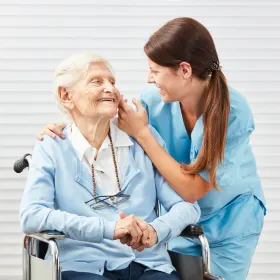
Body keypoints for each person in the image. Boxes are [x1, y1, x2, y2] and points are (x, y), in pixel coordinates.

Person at [38, 18, 266, 280]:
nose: (149, 78)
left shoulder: (233, 112)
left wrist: (143, 134)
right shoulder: (153, 101)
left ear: (184, 70)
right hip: (181, 220)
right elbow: (100, 119)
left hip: (230, 220)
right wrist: (63, 128)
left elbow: (194, 190)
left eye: (155, 70)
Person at [20, 53, 201, 280]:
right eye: (97, 81)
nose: (110, 89)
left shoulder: (141, 140)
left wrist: (156, 231)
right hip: (84, 266)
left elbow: (187, 206)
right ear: (66, 95)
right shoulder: (52, 146)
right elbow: (31, 215)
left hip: (148, 263)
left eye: (112, 82)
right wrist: (109, 228)